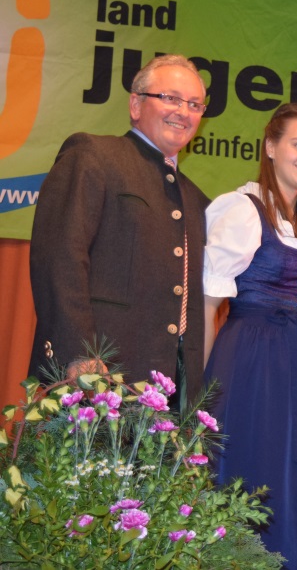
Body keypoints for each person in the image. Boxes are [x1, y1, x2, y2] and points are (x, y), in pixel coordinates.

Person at [29, 54, 209, 406]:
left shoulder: (197, 199)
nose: (183, 112)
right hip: (96, 380)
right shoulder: (94, 155)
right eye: (170, 98)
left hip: (168, 396)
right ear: (136, 104)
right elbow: (60, 256)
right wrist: (79, 353)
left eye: (194, 104)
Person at [202, 103, 297, 568]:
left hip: (295, 360)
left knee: (290, 480)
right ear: (271, 147)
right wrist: (203, 392)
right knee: (254, 470)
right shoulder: (243, 209)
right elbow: (208, 303)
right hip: (250, 358)